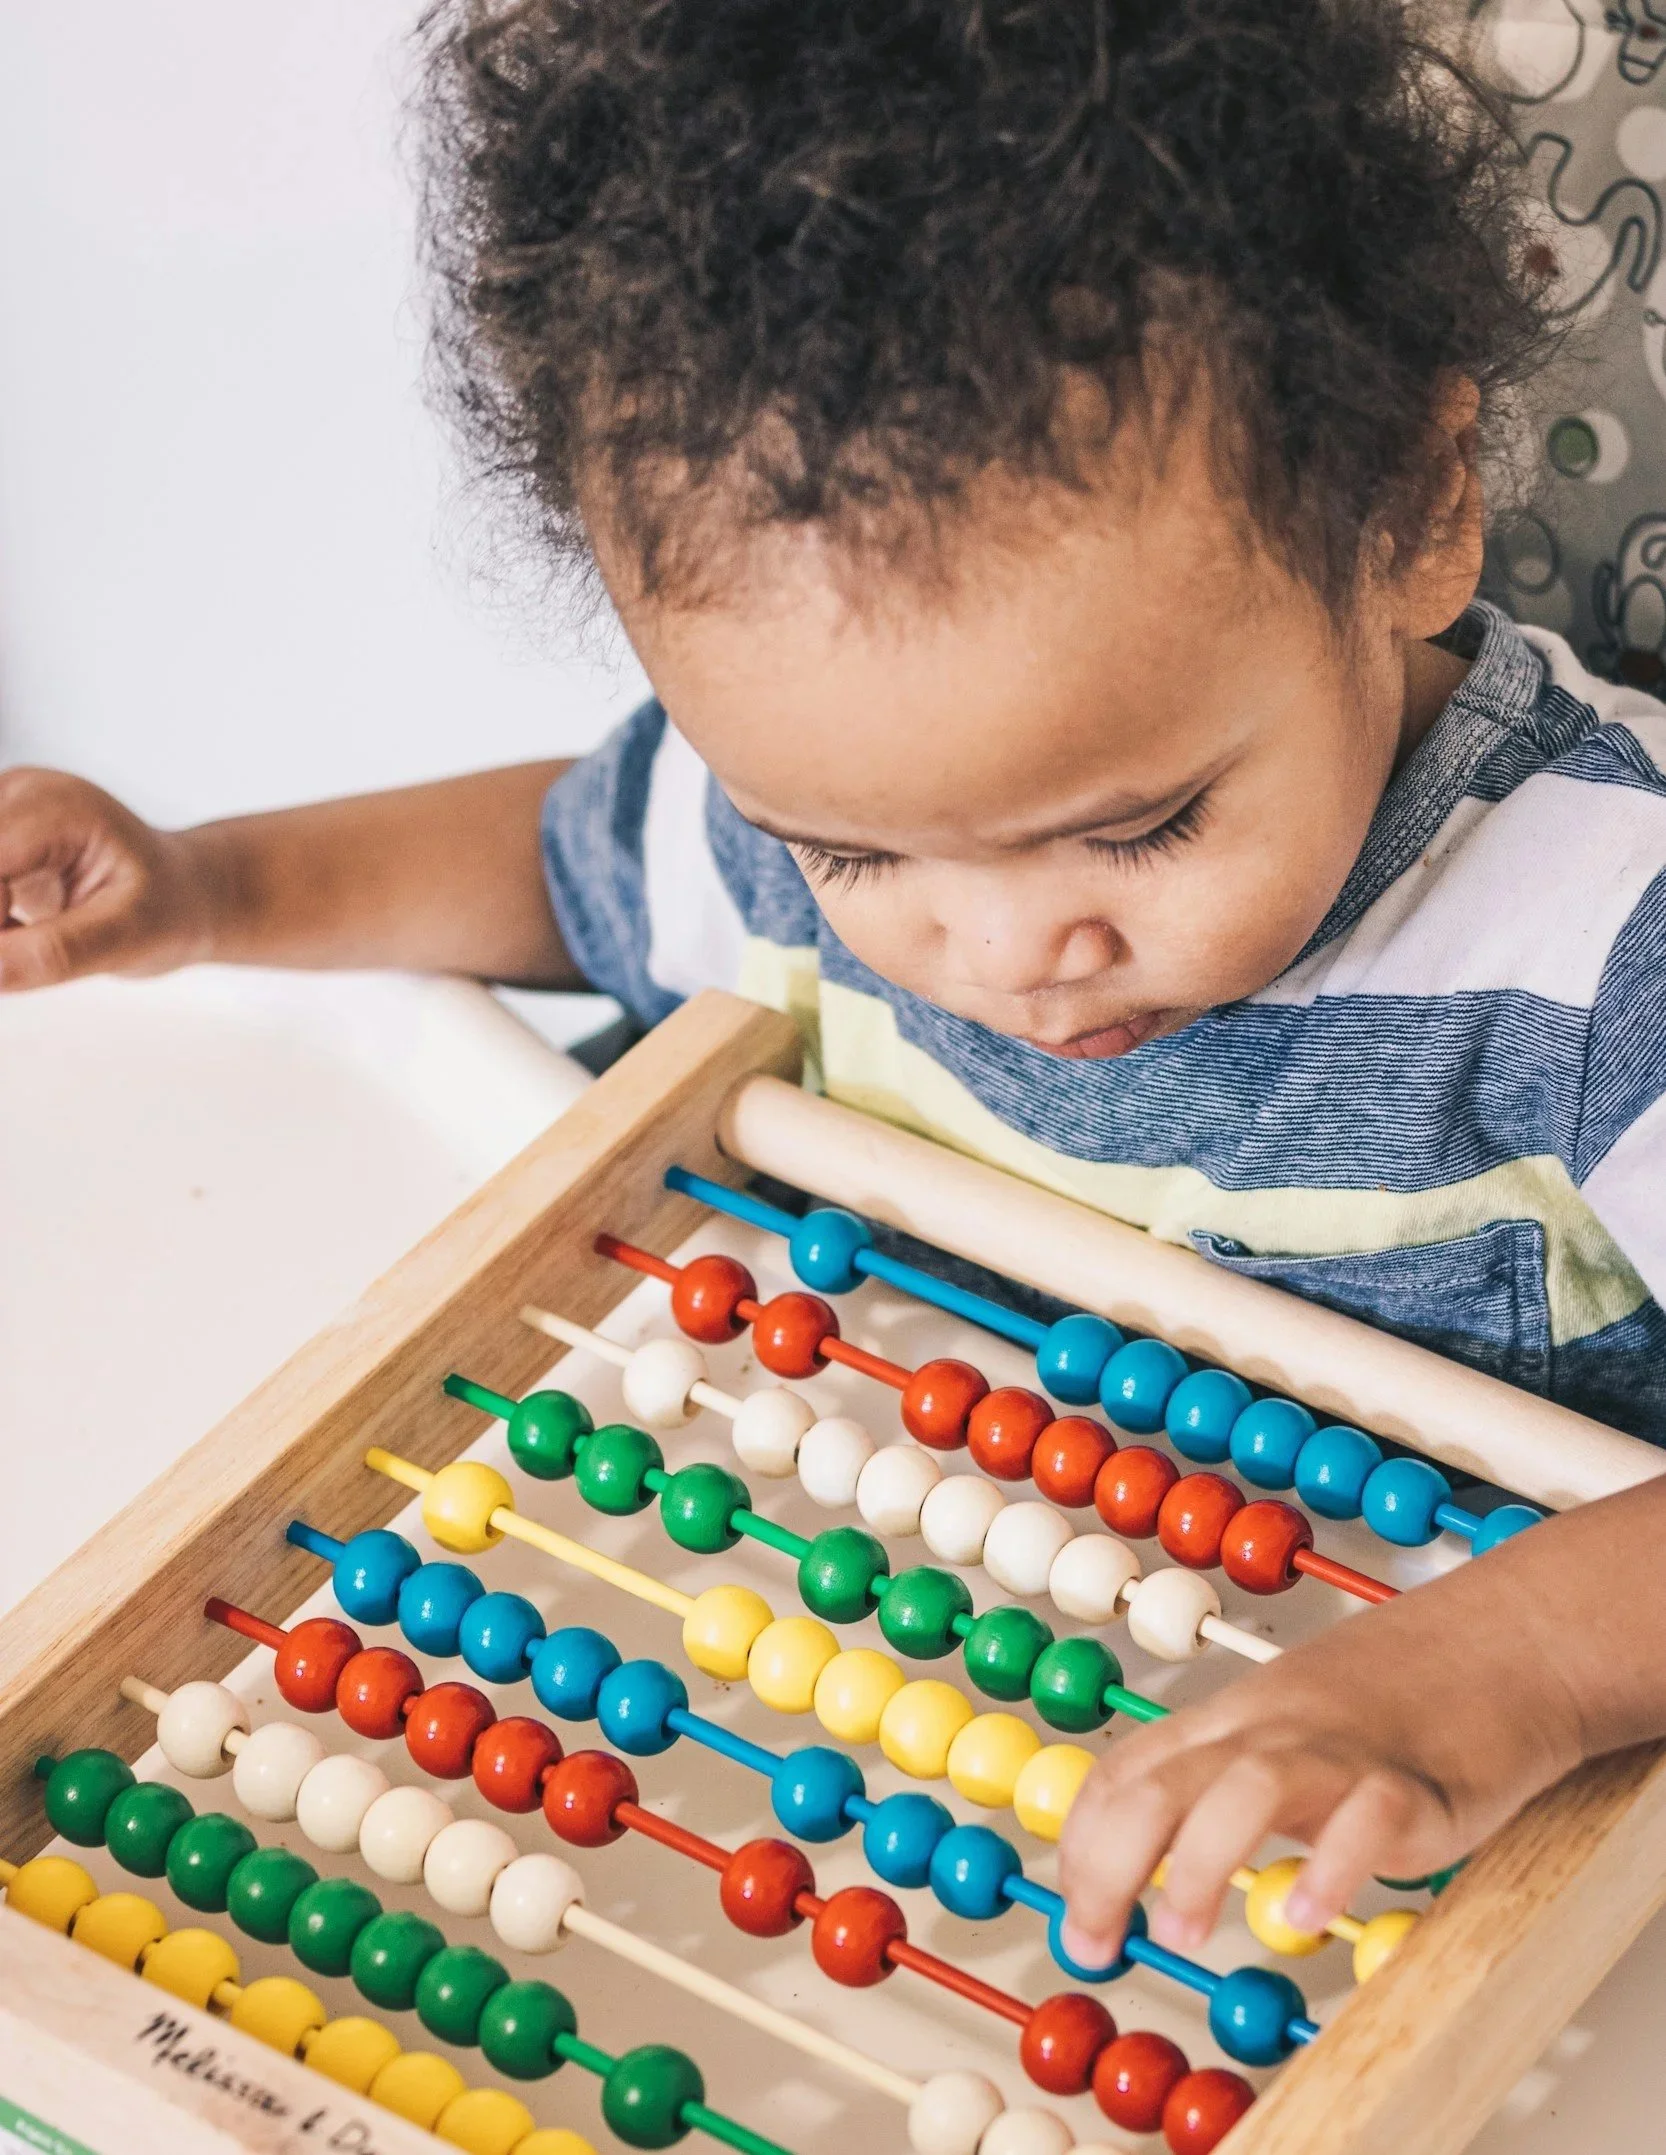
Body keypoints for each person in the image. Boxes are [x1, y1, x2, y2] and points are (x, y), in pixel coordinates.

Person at [4, 0, 1666, 1981]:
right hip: (939, 1713)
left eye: (1133, 831)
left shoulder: (1599, 954)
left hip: (1428, 1832)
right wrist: (206, 887)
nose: (989, 955)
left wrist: (1491, 1678)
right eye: (854, 856)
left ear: (1408, 514)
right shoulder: (798, 814)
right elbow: (569, 860)